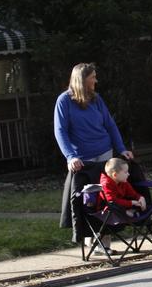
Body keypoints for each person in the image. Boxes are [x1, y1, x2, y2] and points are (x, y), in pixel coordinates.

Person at [55, 63, 138, 247]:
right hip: (83, 159)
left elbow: (110, 125)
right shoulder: (64, 101)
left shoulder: (96, 99)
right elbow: (60, 131)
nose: (95, 80)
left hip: (105, 154)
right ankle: (89, 239)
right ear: (82, 79)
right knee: (89, 201)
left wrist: (121, 148)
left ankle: (105, 242)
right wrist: (70, 156)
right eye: (92, 77)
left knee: (106, 199)